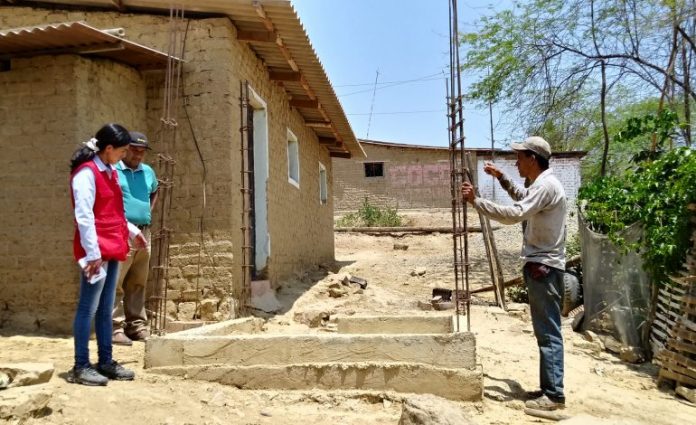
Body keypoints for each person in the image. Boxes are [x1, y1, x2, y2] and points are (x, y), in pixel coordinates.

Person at [461, 136, 567, 411]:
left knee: (548, 333)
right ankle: (549, 388)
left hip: (544, 267)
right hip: (543, 266)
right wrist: (502, 178)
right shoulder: (541, 185)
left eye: (519, 157)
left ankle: (554, 396)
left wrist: (476, 202)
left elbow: (515, 213)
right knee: (545, 332)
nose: (516, 162)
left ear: (533, 158)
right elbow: (522, 197)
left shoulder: (545, 186)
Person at [69, 123, 147, 386]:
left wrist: (132, 231)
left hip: (113, 246)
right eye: (123, 150)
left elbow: (114, 211)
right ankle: (81, 365)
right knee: (88, 307)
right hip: (96, 250)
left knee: (106, 308)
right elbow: (84, 216)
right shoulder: (86, 174)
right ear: (109, 148)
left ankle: (106, 361)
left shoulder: (111, 170)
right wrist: (93, 254)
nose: (125, 155)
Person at [112, 131, 158, 346]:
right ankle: (114, 328)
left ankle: (136, 326)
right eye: (134, 150)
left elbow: (155, 190)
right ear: (125, 150)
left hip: (144, 233)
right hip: (122, 232)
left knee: (138, 282)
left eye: (142, 151)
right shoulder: (114, 171)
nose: (138, 155)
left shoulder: (148, 172)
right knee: (116, 281)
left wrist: (148, 211)